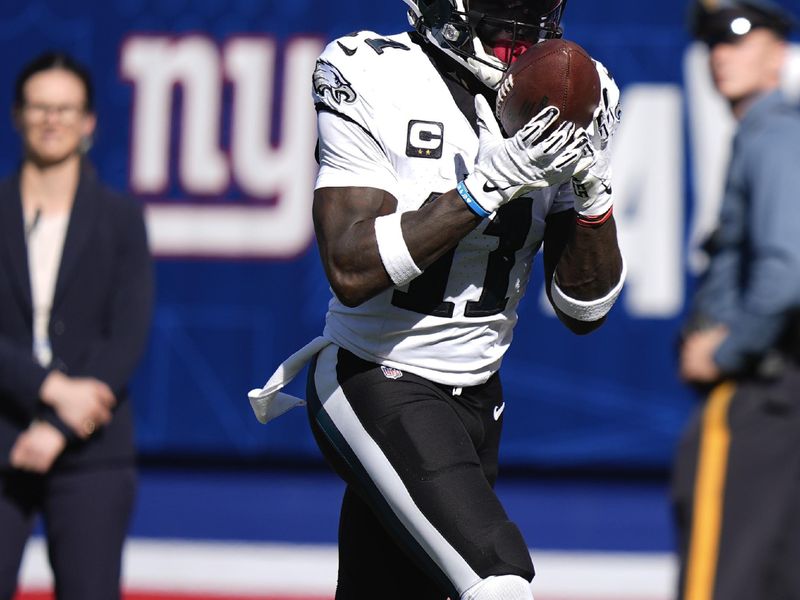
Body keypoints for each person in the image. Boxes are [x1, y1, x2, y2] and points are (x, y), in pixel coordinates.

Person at [249, 1, 624, 598]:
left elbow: (585, 311)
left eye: (532, 24)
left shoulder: (580, 84)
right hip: (371, 374)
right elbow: (350, 267)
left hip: (478, 396)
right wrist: (484, 188)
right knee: (497, 583)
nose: (518, 43)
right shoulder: (370, 71)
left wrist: (592, 195)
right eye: (504, 23)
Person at [0, 51, 153, 599]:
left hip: (93, 449)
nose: (52, 119)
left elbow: (127, 335)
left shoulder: (120, 219)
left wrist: (59, 426)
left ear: (88, 121)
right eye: (40, 107)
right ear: (18, 115)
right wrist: (48, 388)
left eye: (65, 109)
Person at [671, 2, 800, 599]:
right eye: (713, 42)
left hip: (762, 394)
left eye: (741, 38)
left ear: (778, 50)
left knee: (720, 584)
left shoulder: (774, 131)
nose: (722, 53)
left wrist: (726, 352)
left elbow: (787, 270)